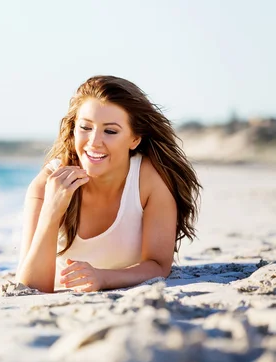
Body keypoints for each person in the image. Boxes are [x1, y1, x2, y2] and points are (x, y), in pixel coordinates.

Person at [17, 75, 201, 293]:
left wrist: (103, 278)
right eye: (85, 127)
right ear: (74, 129)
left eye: (110, 131)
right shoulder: (47, 184)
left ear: (134, 139)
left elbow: (159, 265)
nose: (94, 142)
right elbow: (30, 287)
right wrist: (51, 211)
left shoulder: (149, 181)